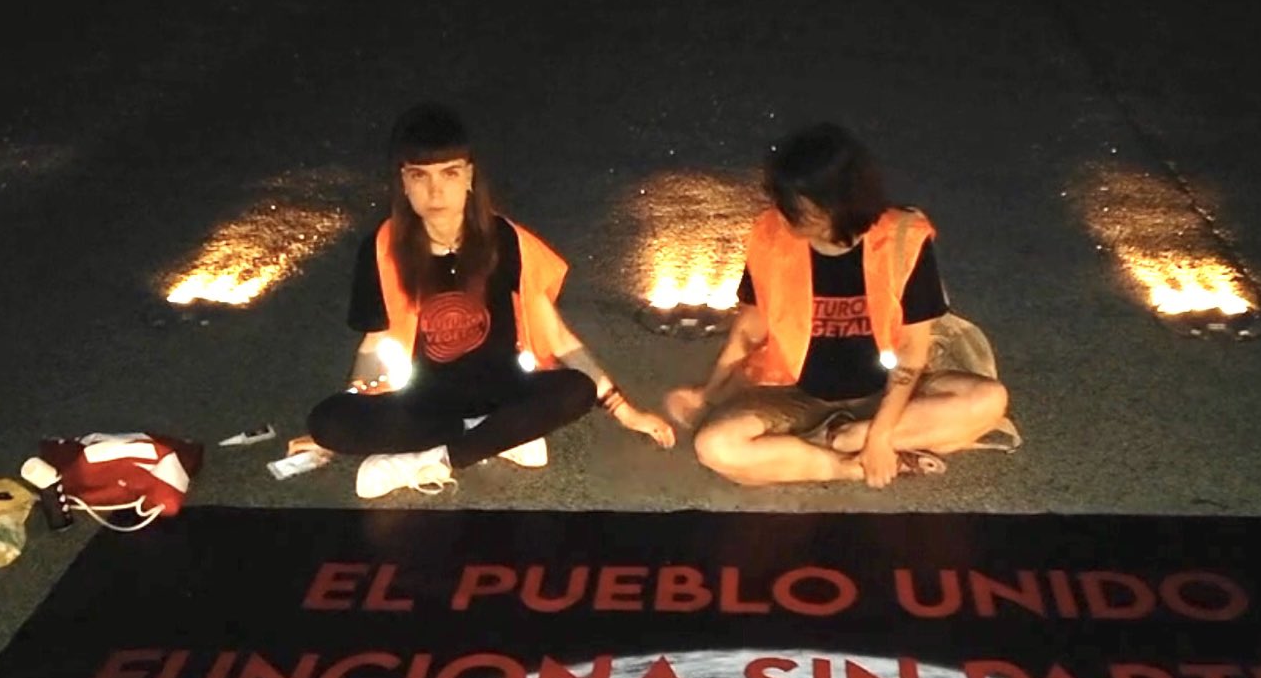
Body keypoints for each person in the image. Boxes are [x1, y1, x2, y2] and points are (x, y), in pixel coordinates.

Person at [303, 103, 673, 498]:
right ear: (403, 183)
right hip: (426, 404)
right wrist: (352, 405)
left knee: (575, 391)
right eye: (419, 176)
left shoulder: (505, 240)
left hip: (504, 389)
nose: (435, 191)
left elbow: (558, 337)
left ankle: (437, 460)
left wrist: (625, 411)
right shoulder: (382, 249)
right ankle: (494, 438)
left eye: (449, 173)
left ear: (469, 176)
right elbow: (374, 345)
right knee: (327, 423)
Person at [665, 123, 1010, 488]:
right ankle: (847, 466)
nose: (781, 212)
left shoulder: (903, 238)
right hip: (797, 393)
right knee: (715, 447)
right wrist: (708, 392)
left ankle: (848, 440)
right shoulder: (770, 236)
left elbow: (912, 349)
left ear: (835, 204)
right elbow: (749, 331)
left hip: (890, 392)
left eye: (795, 204)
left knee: (988, 399)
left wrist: (879, 434)